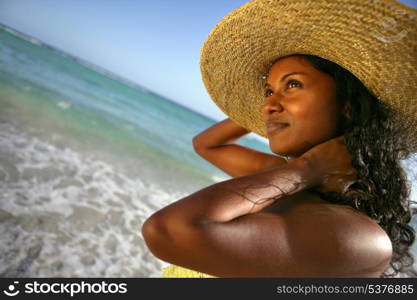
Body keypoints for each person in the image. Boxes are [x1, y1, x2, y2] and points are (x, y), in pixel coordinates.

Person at [142, 0, 417, 277]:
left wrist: (306, 168)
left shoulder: (365, 241)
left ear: (349, 104)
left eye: (293, 84)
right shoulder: (286, 179)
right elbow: (206, 144)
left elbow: (169, 229)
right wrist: (265, 109)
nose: (267, 105)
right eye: (268, 91)